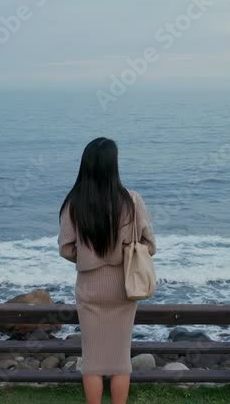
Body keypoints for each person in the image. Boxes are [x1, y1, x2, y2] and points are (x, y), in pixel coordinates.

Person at [58, 137, 156, 404]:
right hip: (123, 288)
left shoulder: (74, 203)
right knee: (120, 359)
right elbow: (150, 245)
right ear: (114, 166)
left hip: (89, 288)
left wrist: (88, 256)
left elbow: (66, 249)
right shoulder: (132, 201)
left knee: (92, 360)